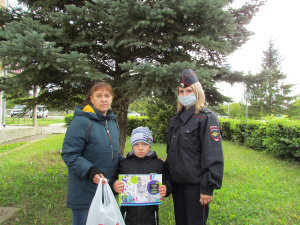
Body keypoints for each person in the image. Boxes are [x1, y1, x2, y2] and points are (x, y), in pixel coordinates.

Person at [165, 69, 224, 225]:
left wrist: (207, 188)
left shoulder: (206, 117)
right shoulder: (176, 119)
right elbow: (171, 153)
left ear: (197, 92)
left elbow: (213, 155)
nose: (184, 95)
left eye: (188, 91)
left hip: (196, 187)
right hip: (178, 185)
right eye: (181, 91)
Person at [61, 81, 124, 225]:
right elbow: (69, 154)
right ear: (91, 98)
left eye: (107, 95)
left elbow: (112, 154)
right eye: (99, 95)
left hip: (106, 194)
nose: (104, 99)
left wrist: (127, 162)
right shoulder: (82, 121)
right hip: (85, 196)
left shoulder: (112, 122)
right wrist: (90, 171)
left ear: (112, 98)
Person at [113, 126, 172, 225]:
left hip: (150, 216)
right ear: (132, 146)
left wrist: (166, 189)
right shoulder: (124, 164)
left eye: (144, 144)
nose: (140, 148)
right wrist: (115, 186)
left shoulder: (158, 164)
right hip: (128, 216)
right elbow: (114, 181)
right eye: (136, 144)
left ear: (150, 145)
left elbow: (167, 182)